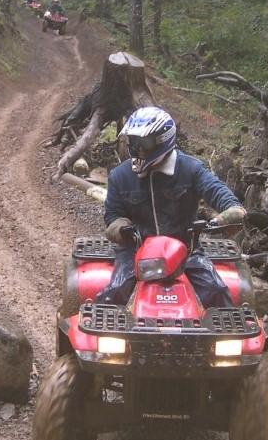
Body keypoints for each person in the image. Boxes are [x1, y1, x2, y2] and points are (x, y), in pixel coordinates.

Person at [96, 106, 246, 307]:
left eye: (145, 143)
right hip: (136, 250)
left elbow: (215, 189)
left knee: (216, 291)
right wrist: (119, 227)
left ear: (163, 139)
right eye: (134, 142)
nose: (138, 149)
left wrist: (232, 210)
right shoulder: (120, 176)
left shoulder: (191, 169)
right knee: (114, 293)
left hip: (185, 248)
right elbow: (113, 214)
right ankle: (101, 336)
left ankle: (226, 336)